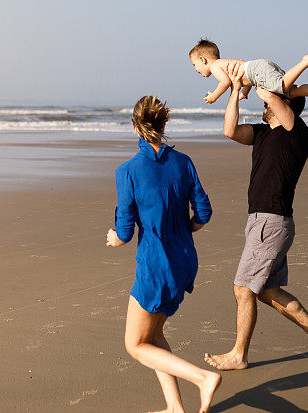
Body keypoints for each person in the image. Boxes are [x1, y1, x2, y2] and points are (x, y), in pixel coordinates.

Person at [203, 71, 308, 375]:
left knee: (243, 289)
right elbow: (229, 130)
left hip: (272, 223)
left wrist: (259, 75)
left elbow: (270, 95)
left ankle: (239, 354)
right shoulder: (262, 134)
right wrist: (234, 90)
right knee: (265, 290)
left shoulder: (296, 132)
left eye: (271, 103)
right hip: (262, 222)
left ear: (282, 104)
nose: (264, 108)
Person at [106, 95, 222, 413]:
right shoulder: (183, 162)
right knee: (154, 335)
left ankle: (201, 378)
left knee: (135, 344)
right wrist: (183, 232)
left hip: (156, 267)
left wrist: (115, 238)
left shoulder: (128, 171)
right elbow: (203, 213)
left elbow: (126, 230)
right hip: (185, 261)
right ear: (164, 123)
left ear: (134, 126)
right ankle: (175, 407)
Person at [188, 39, 308, 104]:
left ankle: (305, 62)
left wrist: (214, 96)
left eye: (194, 64)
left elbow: (225, 82)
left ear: (203, 60)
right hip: (258, 70)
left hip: (258, 71)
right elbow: (246, 77)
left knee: (281, 86)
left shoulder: (216, 67)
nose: (195, 69)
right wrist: (244, 92)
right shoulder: (226, 64)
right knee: (290, 91)